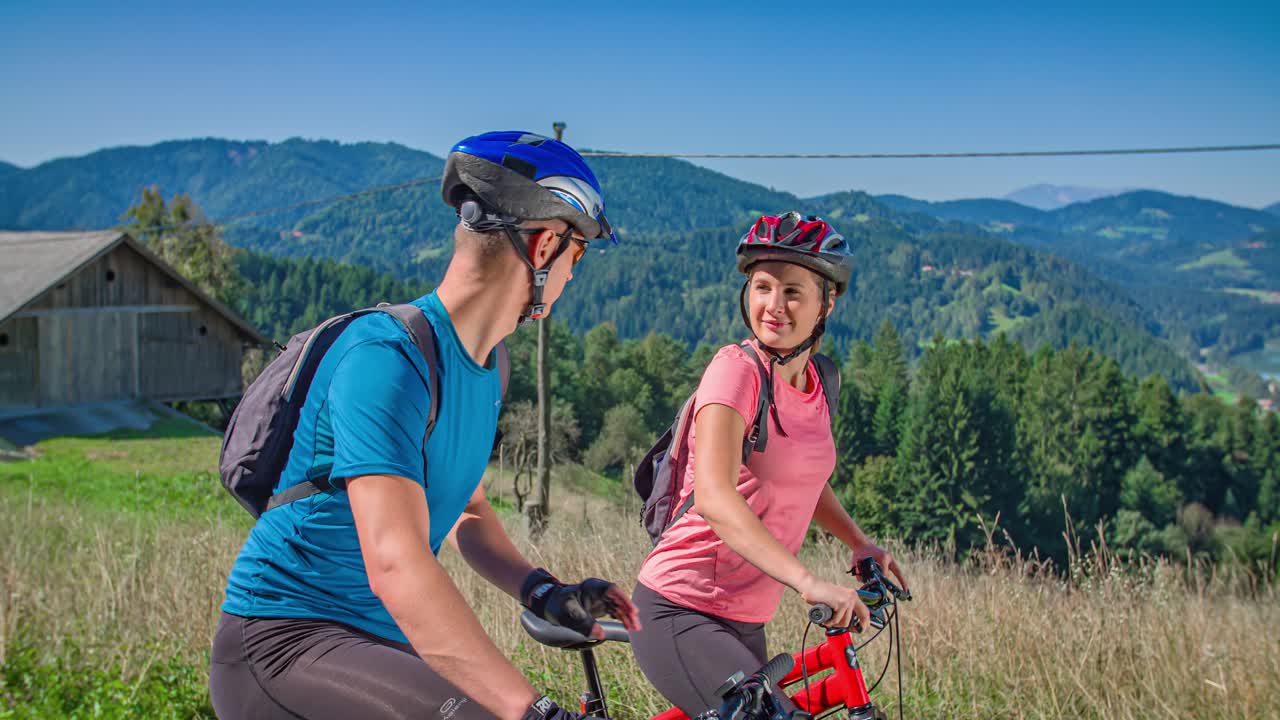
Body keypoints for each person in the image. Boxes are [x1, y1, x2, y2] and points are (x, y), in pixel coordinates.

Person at [209, 131, 640, 720]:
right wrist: (530, 709)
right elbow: (395, 562)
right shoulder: (387, 358)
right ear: (543, 247)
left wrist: (542, 590)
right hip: (286, 642)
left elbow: (467, 511)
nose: (573, 273)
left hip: (375, 647)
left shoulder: (488, 367)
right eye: (578, 253)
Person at [628, 211, 910, 716]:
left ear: (828, 303)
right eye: (762, 287)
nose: (773, 306)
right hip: (680, 608)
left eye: (793, 292)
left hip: (745, 619)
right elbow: (715, 496)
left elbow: (805, 480)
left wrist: (858, 540)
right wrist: (806, 580)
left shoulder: (822, 383)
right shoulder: (736, 373)